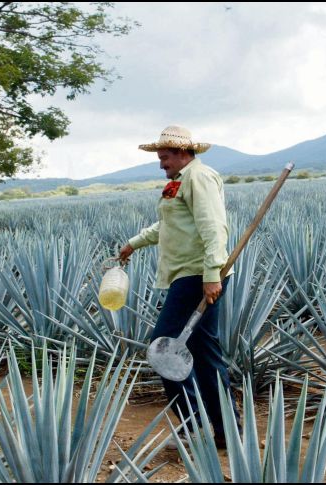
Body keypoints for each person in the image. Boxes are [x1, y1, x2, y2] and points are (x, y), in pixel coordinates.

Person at [118, 125, 239, 449]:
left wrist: (212, 273)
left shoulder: (199, 177)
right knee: (204, 353)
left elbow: (214, 226)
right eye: (159, 158)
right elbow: (168, 224)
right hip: (190, 275)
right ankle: (228, 432)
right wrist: (134, 243)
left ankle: (193, 424)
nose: (161, 164)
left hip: (196, 276)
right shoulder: (180, 182)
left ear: (184, 152)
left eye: (165, 157)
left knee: (163, 346)